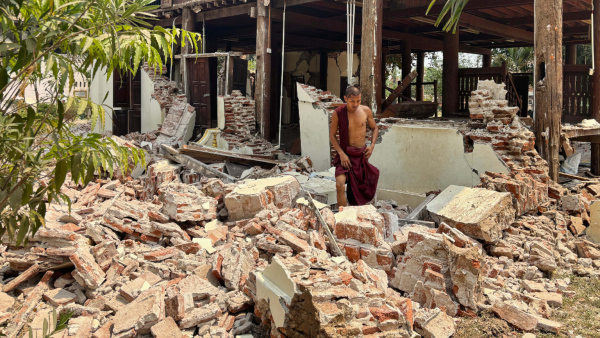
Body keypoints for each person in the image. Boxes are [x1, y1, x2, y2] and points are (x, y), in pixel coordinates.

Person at [329, 86, 380, 207]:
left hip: (360, 155)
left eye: (358, 101)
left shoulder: (366, 111)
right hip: (345, 155)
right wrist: (341, 154)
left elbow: (375, 128)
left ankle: (355, 213)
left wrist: (372, 145)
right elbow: (332, 135)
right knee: (340, 184)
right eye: (352, 101)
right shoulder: (338, 113)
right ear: (345, 98)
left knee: (360, 188)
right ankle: (343, 215)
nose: (355, 104)